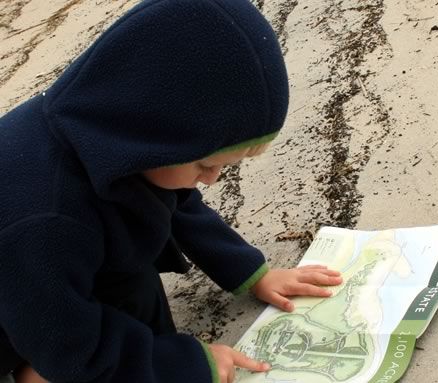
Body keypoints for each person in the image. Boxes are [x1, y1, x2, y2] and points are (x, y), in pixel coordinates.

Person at [0, 0, 343, 382]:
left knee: (135, 288)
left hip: (46, 271)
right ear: (153, 136)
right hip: (17, 298)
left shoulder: (113, 130)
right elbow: (66, 342)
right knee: (68, 362)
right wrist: (183, 365)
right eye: (205, 165)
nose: (212, 180)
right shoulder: (45, 221)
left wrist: (252, 272)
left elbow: (176, 202)